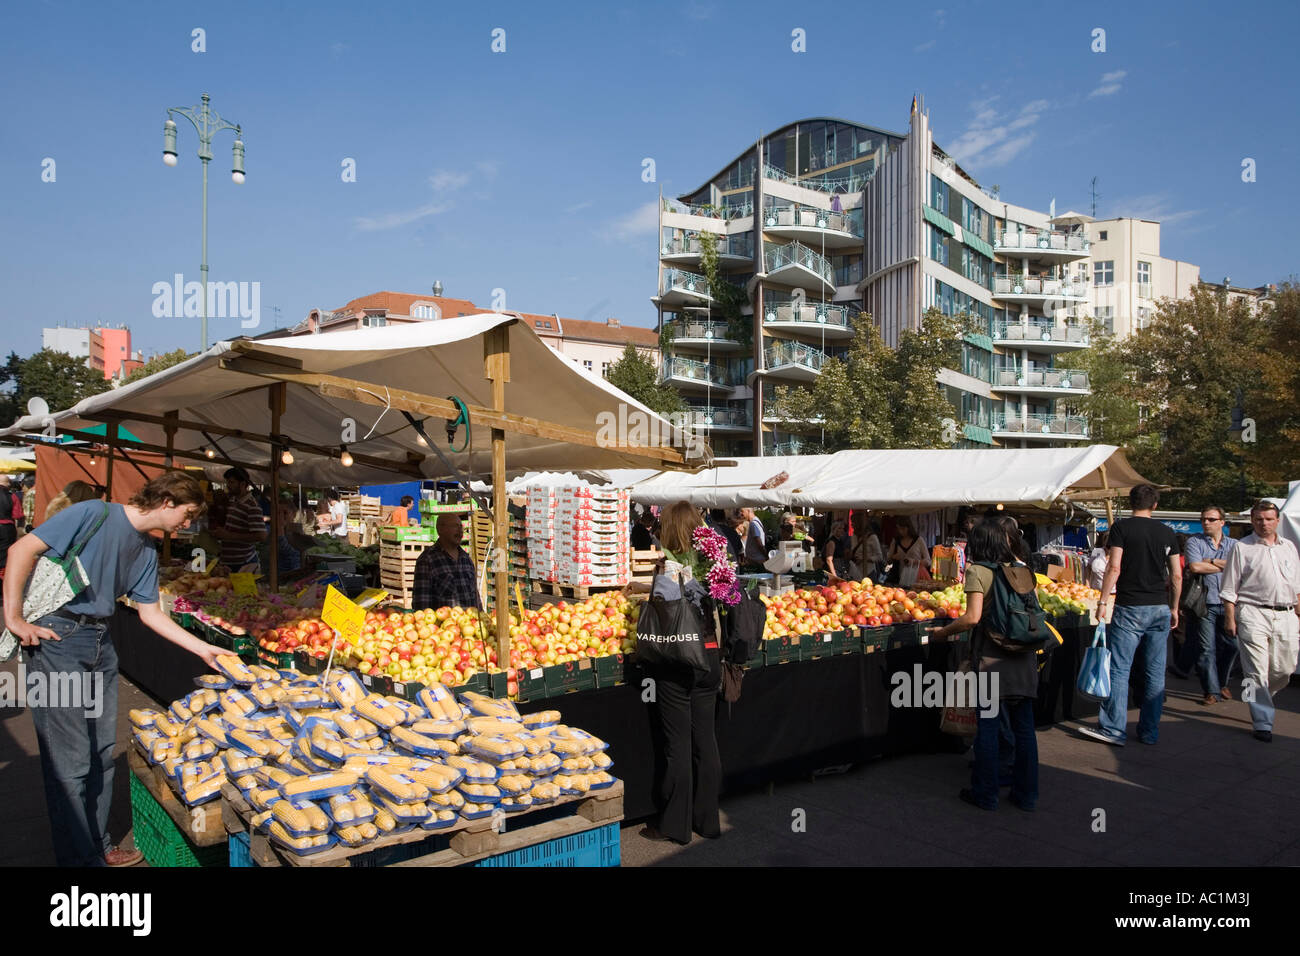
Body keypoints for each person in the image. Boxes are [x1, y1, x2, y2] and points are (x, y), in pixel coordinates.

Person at [3, 472, 222, 867]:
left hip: (100, 642)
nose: (187, 525)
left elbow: (151, 614)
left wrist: (205, 649)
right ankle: (81, 858)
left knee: (102, 751)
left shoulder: (146, 549)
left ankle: (97, 845)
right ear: (167, 502)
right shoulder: (92, 513)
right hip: (57, 640)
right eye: (187, 515)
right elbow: (21, 550)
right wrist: (14, 618)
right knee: (70, 759)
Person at [930, 521, 1038, 811]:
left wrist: (941, 634)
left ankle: (986, 794)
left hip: (992, 659)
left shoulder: (979, 571)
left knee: (988, 728)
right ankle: (1026, 795)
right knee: (1025, 729)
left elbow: (972, 618)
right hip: (1024, 658)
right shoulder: (1022, 568)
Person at [640, 500, 722, 845]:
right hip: (711, 656)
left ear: (669, 530)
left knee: (678, 745)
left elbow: (664, 609)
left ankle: (675, 825)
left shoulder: (668, 566)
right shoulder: (715, 564)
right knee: (706, 741)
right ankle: (708, 821)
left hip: (678, 660)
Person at [1078, 484, 1181, 747]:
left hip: (1130, 605)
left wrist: (1102, 601)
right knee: (1155, 672)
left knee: (1119, 669)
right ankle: (1149, 731)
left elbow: (1114, 566)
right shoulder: (1168, 532)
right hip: (1159, 606)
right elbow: (1177, 575)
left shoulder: (1121, 528)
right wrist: (1174, 607)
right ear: (1155, 504)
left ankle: (1114, 728)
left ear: (1131, 502)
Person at [1219, 500, 1300, 743]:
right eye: (1258, 519)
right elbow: (1229, 587)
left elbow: (1296, 587)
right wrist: (1230, 617)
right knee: (1256, 670)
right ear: (1252, 521)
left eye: (1268, 519)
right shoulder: (1242, 548)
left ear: (1277, 521)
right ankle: (1263, 722)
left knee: (1285, 668)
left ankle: (1258, 694)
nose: (1263, 523)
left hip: (1286, 614)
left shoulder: (1289, 548)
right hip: (1253, 612)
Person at [1184, 506, 1238, 706]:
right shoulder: (1194, 542)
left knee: (1233, 646)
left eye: (1211, 519)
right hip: (1204, 602)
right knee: (1207, 649)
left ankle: (1222, 682)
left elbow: (1241, 568)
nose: (1206, 522)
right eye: (1203, 519)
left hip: (1230, 602)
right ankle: (1211, 691)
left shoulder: (1234, 544)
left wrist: (1213, 561)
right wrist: (1226, 565)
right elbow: (1195, 566)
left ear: (1222, 522)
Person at [412, 513, 481, 611]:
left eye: (461, 526)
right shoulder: (427, 560)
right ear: (440, 530)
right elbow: (421, 604)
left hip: (471, 623)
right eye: (455, 526)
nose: (460, 531)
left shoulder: (466, 559)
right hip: (444, 625)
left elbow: (476, 597)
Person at [210, 467, 268, 572]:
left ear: (242, 484)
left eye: (231, 482)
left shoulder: (252, 506)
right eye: (227, 482)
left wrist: (229, 536)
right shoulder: (232, 500)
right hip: (228, 562)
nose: (228, 486)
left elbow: (262, 536)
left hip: (244, 564)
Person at [887, 516, 930, 585]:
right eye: (899, 529)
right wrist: (893, 557)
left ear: (909, 527)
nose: (901, 531)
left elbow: (928, 561)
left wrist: (914, 561)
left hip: (917, 578)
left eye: (903, 529)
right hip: (899, 578)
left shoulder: (919, 540)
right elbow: (888, 560)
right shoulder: (896, 541)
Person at [0, 474, 26, 575]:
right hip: (7, 529)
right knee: (4, 558)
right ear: (8, 484)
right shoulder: (13, 496)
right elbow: (18, 515)